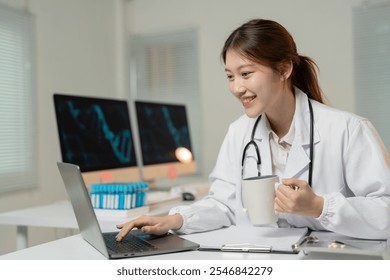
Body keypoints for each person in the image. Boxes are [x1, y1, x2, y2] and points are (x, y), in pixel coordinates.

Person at [116, 19, 390, 241]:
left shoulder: (348, 130)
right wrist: (174, 219)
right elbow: (224, 204)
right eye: (230, 76)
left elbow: (385, 212)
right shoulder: (239, 132)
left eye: (246, 74)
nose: (236, 88)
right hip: (263, 258)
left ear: (283, 70)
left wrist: (319, 206)